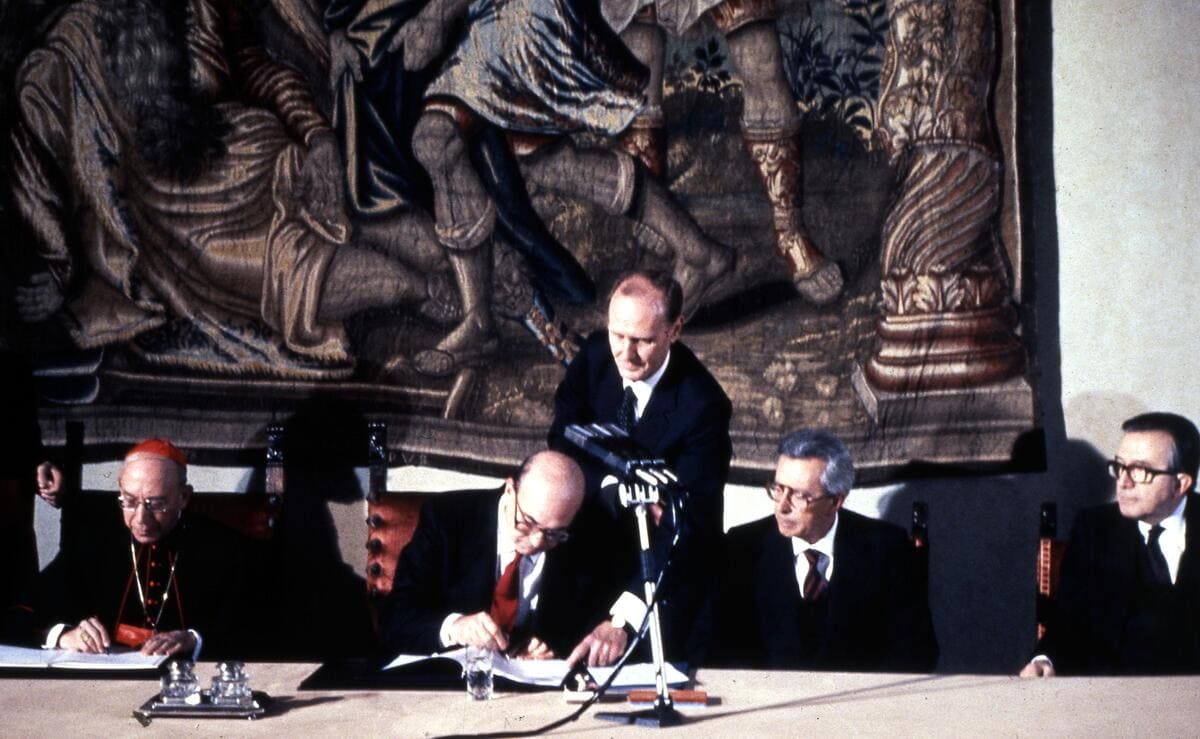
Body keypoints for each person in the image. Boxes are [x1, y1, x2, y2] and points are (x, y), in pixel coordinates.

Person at [548, 269, 732, 666]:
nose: (626, 355)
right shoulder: (597, 354)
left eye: (644, 341)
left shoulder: (704, 407)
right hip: (585, 554)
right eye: (618, 335)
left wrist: (626, 619)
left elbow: (689, 525)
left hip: (658, 578)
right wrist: (616, 488)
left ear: (675, 329)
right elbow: (562, 442)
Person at [710, 429, 938, 672]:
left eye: (799, 495)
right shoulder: (742, 547)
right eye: (778, 489)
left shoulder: (887, 548)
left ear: (835, 501)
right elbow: (716, 650)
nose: (782, 507)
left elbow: (918, 653)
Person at [379, 450, 615, 662]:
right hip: (451, 685)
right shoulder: (446, 519)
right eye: (527, 522)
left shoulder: (583, 535)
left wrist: (550, 648)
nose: (536, 542)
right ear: (510, 489)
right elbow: (395, 619)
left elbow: (592, 619)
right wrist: (455, 627)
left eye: (553, 534)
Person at [36, 439, 258, 659]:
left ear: (183, 497)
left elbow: (257, 629)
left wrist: (194, 640)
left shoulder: (225, 549)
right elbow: (23, 610)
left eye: (156, 504)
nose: (141, 519)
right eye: (129, 501)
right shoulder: (92, 541)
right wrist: (63, 635)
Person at [1021, 412, 1200, 677]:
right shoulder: (1095, 530)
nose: (1123, 482)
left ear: (1180, 484)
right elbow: (1069, 623)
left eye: (1140, 471)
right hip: (1114, 701)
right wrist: (1046, 660)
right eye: (1120, 466)